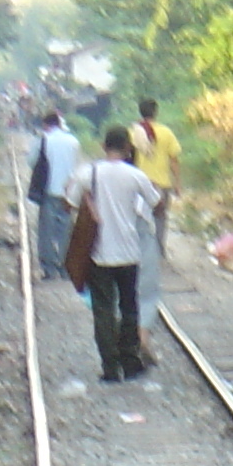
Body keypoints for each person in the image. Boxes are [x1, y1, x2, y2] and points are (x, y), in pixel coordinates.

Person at [66, 126, 162, 382]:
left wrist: (88, 199)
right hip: (129, 254)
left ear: (103, 146)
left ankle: (110, 367)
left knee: (103, 311)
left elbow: (69, 204)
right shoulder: (136, 176)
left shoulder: (88, 173)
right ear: (128, 148)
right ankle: (130, 362)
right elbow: (156, 203)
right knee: (130, 308)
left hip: (99, 255)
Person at [30, 110, 80, 280]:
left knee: (46, 231)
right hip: (68, 193)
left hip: (49, 190)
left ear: (46, 125)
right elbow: (76, 166)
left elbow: (31, 162)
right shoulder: (74, 141)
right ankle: (65, 268)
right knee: (66, 230)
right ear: (59, 123)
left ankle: (49, 269)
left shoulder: (43, 140)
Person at [133, 97, 182, 258]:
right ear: (155, 112)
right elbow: (174, 160)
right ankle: (159, 251)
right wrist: (177, 183)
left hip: (139, 182)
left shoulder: (133, 132)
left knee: (138, 217)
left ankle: (140, 250)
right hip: (162, 183)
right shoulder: (166, 132)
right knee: (160, 217)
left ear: (140, 111)